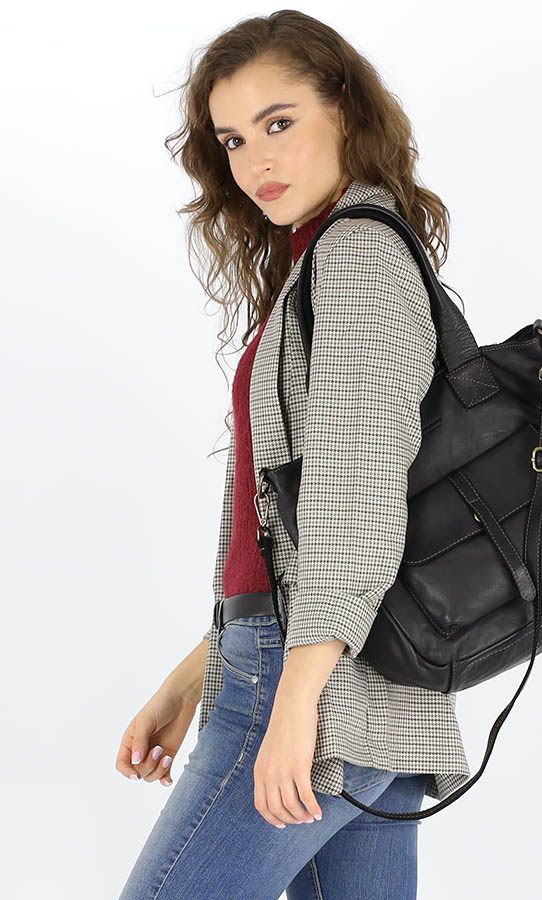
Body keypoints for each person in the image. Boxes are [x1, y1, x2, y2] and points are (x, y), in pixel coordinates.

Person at [116, 10, 470, 899]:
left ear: (344, 109)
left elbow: (355, 499)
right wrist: (195, 674)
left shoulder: (354, 257)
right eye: (234, 139)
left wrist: (292, 704)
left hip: (311, 681)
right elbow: (293, 537)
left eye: (279, 122)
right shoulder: (328, 257)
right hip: (357, 678)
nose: (255, 161)